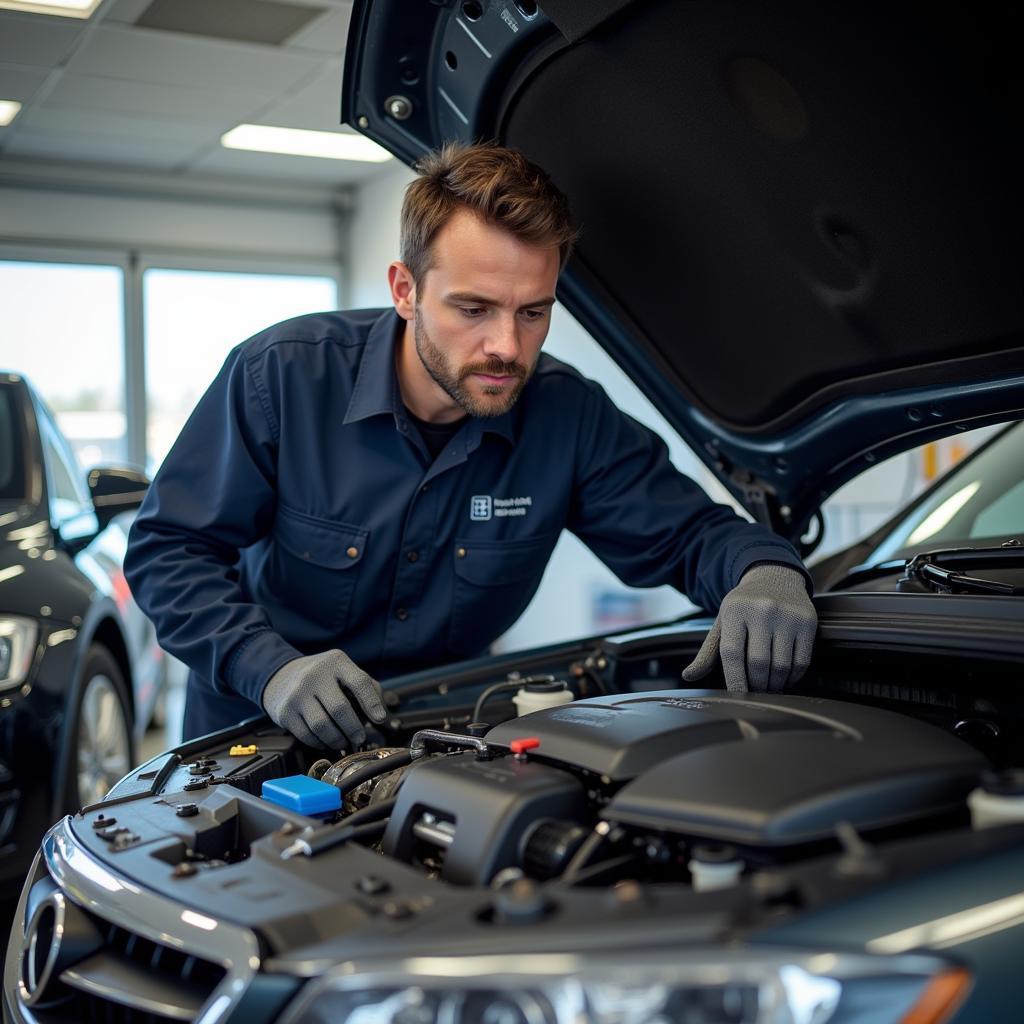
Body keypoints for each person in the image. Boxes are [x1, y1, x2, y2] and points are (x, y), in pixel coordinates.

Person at [124, 143, 817, 750]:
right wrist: (266, 665)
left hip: (444, 738)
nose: (507, 348)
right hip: (257, 732)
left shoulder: (566, 415)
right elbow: (169, 550)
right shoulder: (281, 376)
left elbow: (693, 535)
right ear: (406, 290)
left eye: (532, 312)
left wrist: (764, 572)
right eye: (473, 308)